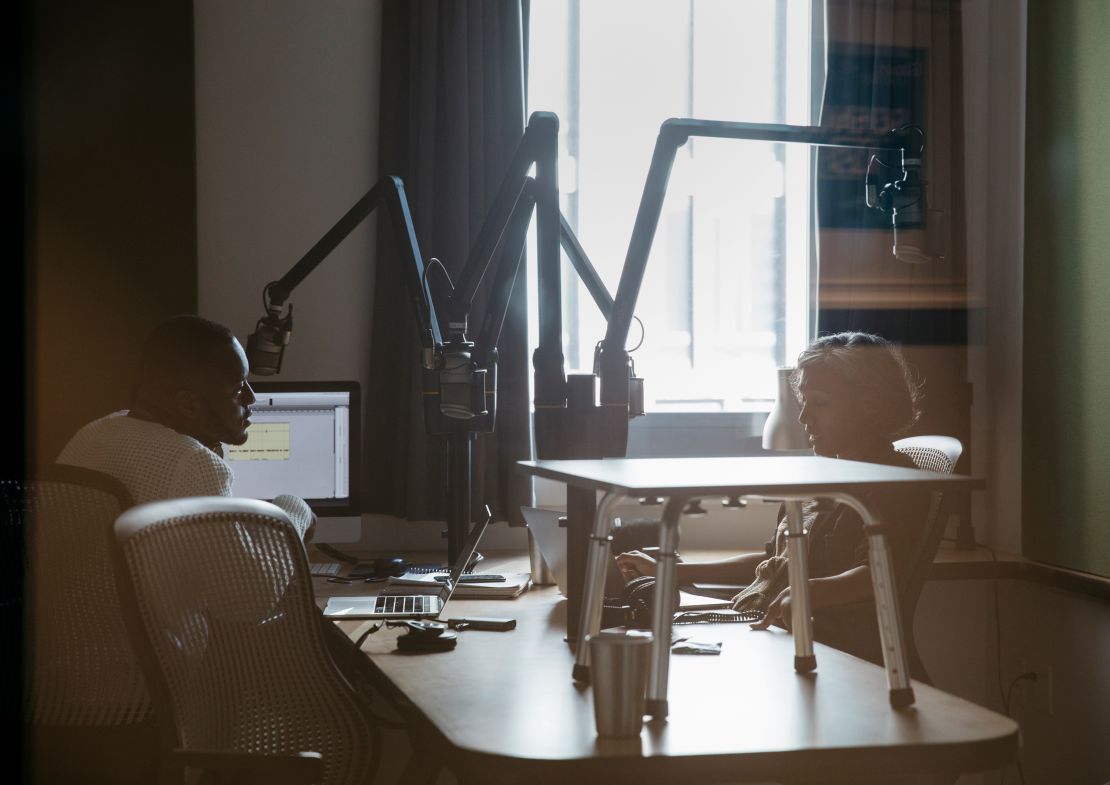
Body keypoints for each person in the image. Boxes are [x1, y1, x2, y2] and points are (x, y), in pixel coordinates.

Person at [615, 331, 930, 668]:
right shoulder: (821, 483)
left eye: (820, 403)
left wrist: (810, 592)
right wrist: (670, 570)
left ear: (871, 405)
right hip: (792, 640)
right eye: (803, 402)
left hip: (848, 658)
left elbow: (877, 573)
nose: (804, 417)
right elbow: (773, 565)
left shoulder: (898, 482)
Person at [58, 314, 315, 539]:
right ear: (188, 404)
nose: (251, 398)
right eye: (237, 389)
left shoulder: (89, 435)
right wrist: (293, 511)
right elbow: (255, 589)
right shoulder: (194, 465)